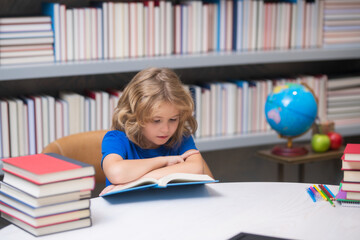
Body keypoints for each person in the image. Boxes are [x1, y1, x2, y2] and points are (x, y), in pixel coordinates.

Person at [100, 67, 206, 195]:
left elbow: (196, 168)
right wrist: (164, 161)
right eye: (156, 120)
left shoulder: (180, 136)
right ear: (135, 116)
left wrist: (137, 181)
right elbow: (116, 173)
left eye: (173, 119)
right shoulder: (116, 139)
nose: (166, 129)